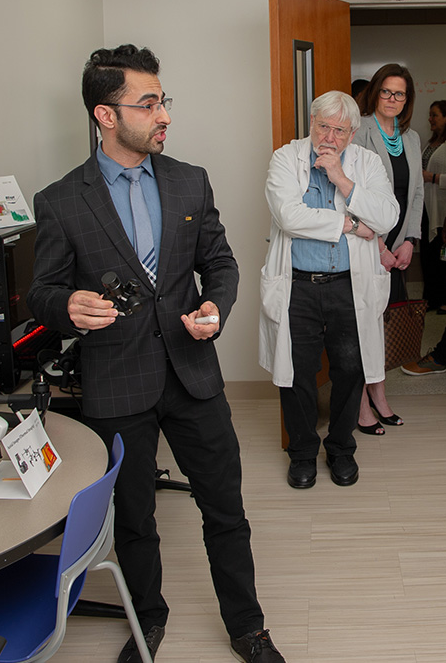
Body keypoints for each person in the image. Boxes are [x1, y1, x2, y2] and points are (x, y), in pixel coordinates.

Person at [26, 45, 284, 663]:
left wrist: (216, 308)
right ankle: (147, 623)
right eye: (149, 102)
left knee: (226, 507)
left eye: (163, 99)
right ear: (105, 115)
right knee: (135, 519)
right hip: (115, 380)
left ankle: (247, 627)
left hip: (193, 374)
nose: (163, 113)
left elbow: (218, 262)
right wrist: (68, 308)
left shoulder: (189, 180)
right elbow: (42, 292)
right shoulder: (61, 200)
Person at [260, 90, 399, 488]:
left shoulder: (367, 162)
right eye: (324, 126)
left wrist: (341, 178)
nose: (330, 137)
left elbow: (387, 216)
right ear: (311, 123)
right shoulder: (285, 159)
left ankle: (341, 450)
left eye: (340, 130)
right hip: (298, 286)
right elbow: (289, 216)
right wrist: (353, 224)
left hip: (348, 287)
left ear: (352, 133)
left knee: (350, 372)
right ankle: (302, 454)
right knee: (298, 375)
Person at [352, 63, 424, 436]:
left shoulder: (410, 136)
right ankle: (361, 404)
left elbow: (416, 193)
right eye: (387, 92)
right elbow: (351, 192)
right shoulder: (359, 130)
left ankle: (379, 395)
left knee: (384, 325)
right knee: (364, 325)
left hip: (400, 246)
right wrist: (379, 243)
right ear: (375, 92)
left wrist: (409, 241)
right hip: (367, 243)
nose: (393, 99)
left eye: (401, 94)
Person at [401, 100, 446, 376]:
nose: (430, 119)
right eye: (429, 115)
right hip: (427, 206)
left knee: (445, 262)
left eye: (435, 115)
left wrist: (433, 177)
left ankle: (445, 302)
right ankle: (434, 299)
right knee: (431, 258)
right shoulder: (430, 142)